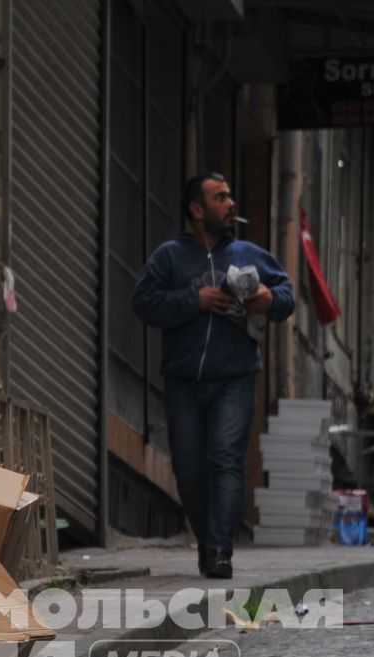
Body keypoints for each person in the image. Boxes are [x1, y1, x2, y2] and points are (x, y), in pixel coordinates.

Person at [132, 173, 295, 579]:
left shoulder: (249, 253)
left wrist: (267, 298)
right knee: (188, 468)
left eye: (230, 195)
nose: (231, 203)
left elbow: (287, 296)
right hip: (183, 381)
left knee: (226, 460)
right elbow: (143, 301)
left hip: (234, 378)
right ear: (197, 209)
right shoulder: (170, 257)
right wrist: (195, 299)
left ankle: (221, 551)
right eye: (220, 197)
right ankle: (208, 543)